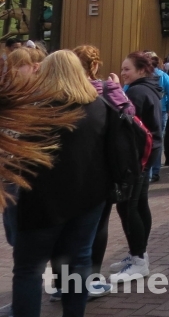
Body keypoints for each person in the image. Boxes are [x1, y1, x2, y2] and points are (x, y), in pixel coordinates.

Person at [11, 50, 111, 317]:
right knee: (77, 264)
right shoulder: (98, 105)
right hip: (88, 198)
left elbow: (21, 157)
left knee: (28, 270)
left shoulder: (38, 110)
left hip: (42, 202)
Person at [72, 45, 131, 299]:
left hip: (69, 168)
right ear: (94, 66)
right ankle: (91, 279)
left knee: (66, 226)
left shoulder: (62, 91)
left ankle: (65, 282)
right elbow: (128, 114)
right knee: (99, 224)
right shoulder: (106, 89)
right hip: (101, 166)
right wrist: (116, 86)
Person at [110, 51, 163, 282]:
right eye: (122, 69)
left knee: (128, 207)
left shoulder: (138, 92)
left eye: (127, 69)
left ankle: (139, 259)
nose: (123, 73)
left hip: (138, 157)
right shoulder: (149, 88)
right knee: (139, 204)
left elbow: (128, 124)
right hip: (148, 154)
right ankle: (138, 254)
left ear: (141, 70)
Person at [149, 52, 169, 182]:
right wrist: (167, 107)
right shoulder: (163, 75)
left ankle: (146, 170)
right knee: (157, 139)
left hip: (142, 110)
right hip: (160, 111)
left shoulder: (139, 75)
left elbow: (126, 91)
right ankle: (155, 171)